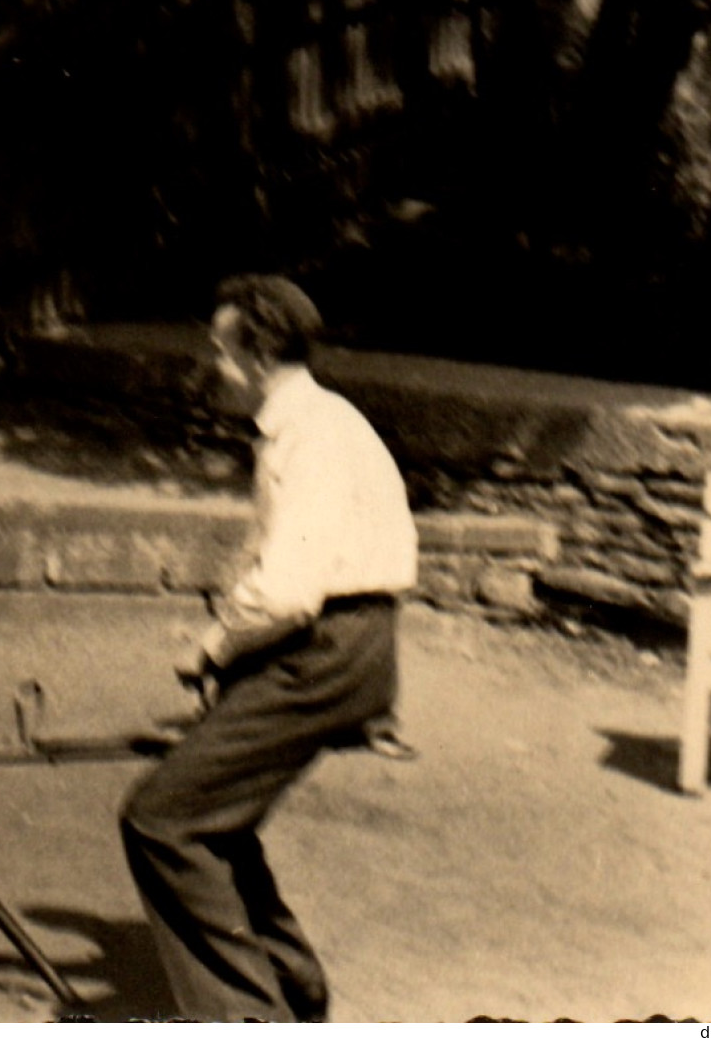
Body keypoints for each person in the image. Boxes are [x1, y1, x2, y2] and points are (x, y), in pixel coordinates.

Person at [119, 274, 418, 1022]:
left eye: (219, 352)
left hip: (326, 652)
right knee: (213, 809)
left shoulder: (313, 436)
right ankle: (290, 983)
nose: (211, 366)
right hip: (328, 643)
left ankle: (250, 1017)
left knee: (162, 818)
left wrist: (214, 648)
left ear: (256, 358)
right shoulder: (311, 423)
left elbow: (288, 591)